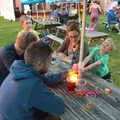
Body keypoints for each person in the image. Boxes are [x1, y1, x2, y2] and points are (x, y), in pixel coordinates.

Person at [0, 41, 67, 120]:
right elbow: (59, 107)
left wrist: (66, 74)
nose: (50, 65)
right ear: (39, 64)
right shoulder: (32, 85)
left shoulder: (19, 71)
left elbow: (45, 79)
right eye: (50, 61)